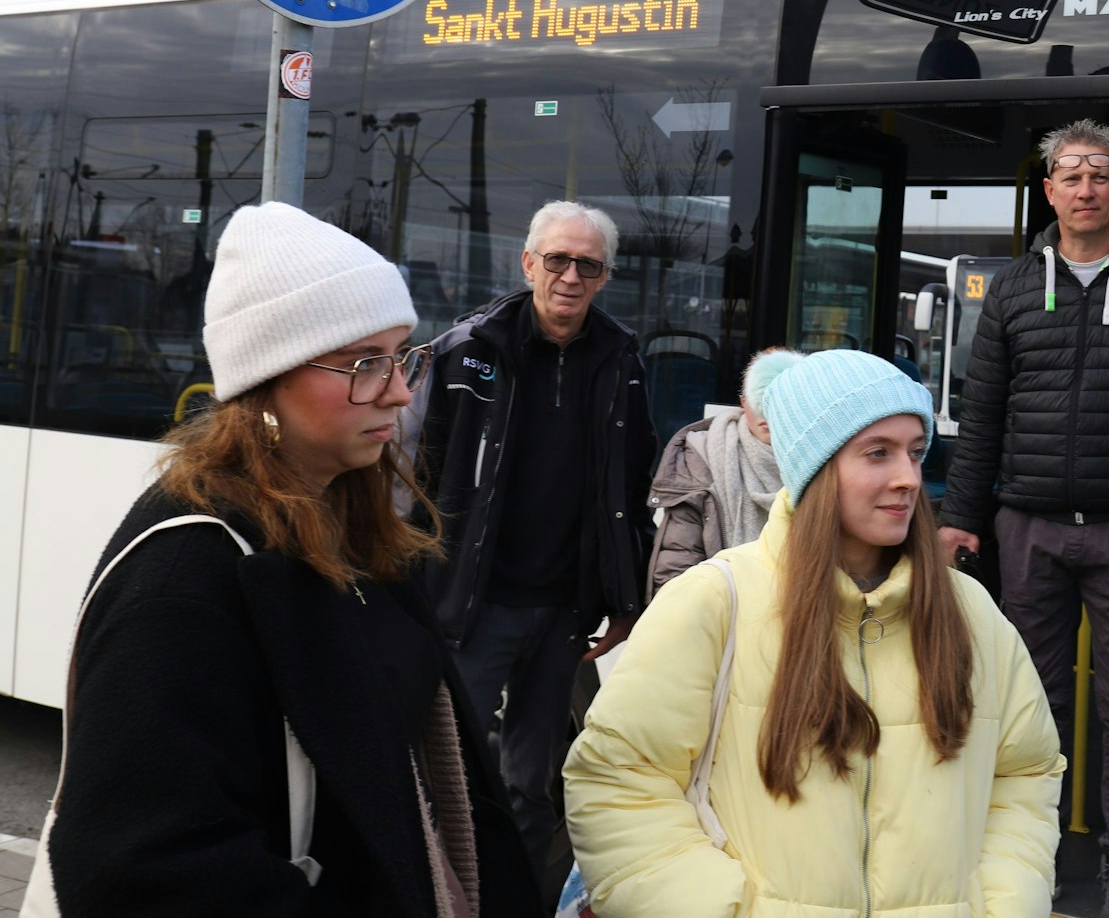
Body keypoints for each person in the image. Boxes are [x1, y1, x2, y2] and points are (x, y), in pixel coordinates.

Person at [42, 203, 538, 915]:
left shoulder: (349, 519)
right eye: (365, 362)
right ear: (268, 377)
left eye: (403, 355)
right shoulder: (185, 577)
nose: (400, 390)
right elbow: (141, 870)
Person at [564, 349, 1065, 916]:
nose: (908, 478)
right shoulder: (713, 602)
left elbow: (1026, 774)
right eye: (877, 453)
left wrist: (1001, 906)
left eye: (915, 452)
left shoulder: (970, 611)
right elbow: (619, 785)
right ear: (814, 466)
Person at [938, 118, 1109, 917]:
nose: (1085, 188)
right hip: (1029, 528)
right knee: (1032, 702)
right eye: (1070, 175)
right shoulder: (1019, 288)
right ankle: (1037, 850)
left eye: (1099, 175)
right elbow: (982, 408)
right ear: (1049, 190)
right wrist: (962, 516)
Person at [416, 200, 657, 876]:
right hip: (473, 605)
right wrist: (414, 590)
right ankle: (438, 892)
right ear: (528, 264)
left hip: (561, 615)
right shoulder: (468, 350)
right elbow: (420, 480)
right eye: (557, 260)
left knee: (532, 785)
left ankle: (511, 901)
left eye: (588, 264)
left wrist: (625, 600)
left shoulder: (622, 363)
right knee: (450, 771)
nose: (570, 276)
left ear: (605, 276)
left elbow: (630, 490)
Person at [645, 346, 804, 594]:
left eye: (784, 400)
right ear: (743, 401)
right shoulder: (703, 456)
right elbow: (679, 560)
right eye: (757, 397)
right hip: (719, 612)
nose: (768, 413)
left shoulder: (827, 465)